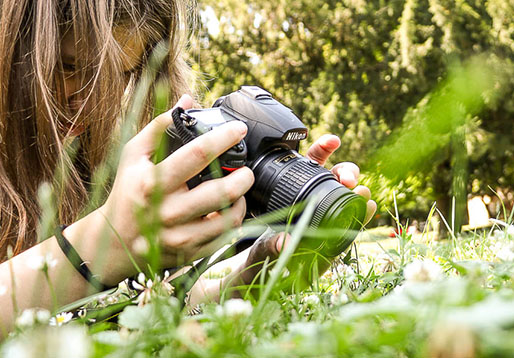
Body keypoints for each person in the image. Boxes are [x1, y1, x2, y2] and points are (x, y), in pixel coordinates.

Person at [0, 0, 376, 333]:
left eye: (121, 75)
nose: (90, 101)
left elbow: (143, 308)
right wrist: (106, 239)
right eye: (69, 67)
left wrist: (259, 270)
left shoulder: (90, 164)